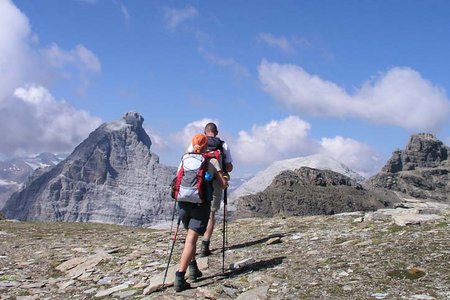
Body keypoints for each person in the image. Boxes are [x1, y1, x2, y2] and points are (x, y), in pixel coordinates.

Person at [174, 133, 229, 292]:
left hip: (183, 203)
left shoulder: (184, 159)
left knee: (189, 239)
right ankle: (180, 277)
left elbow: (177, 179)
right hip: (200, 204)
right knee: (191, 240)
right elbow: (222, 184)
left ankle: (193, 268)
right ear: (206, 146)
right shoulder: (210, 160)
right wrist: (224, 177)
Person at [186, 122, 234, 257]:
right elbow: (229, 167)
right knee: (211, 214)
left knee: (195, 215)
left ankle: (191, 249)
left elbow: (187, 160)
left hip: (197, 183)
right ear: (216, 132)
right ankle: (205, 246)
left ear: (204, 132)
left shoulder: (196, 143)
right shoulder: (223, 145)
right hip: (216, 182)